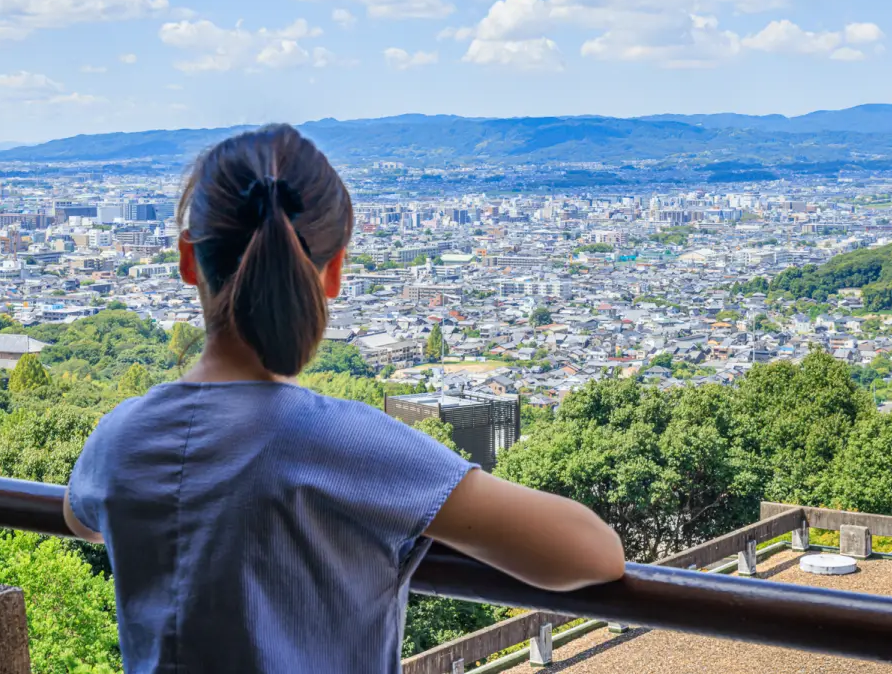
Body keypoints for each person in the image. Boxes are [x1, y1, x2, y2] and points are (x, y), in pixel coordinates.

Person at [63, 124, 624, 673]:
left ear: (188, 261)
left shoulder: (121, 436)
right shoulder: (348, 442)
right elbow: (594, 553)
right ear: (333, 274)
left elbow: (81, 516)